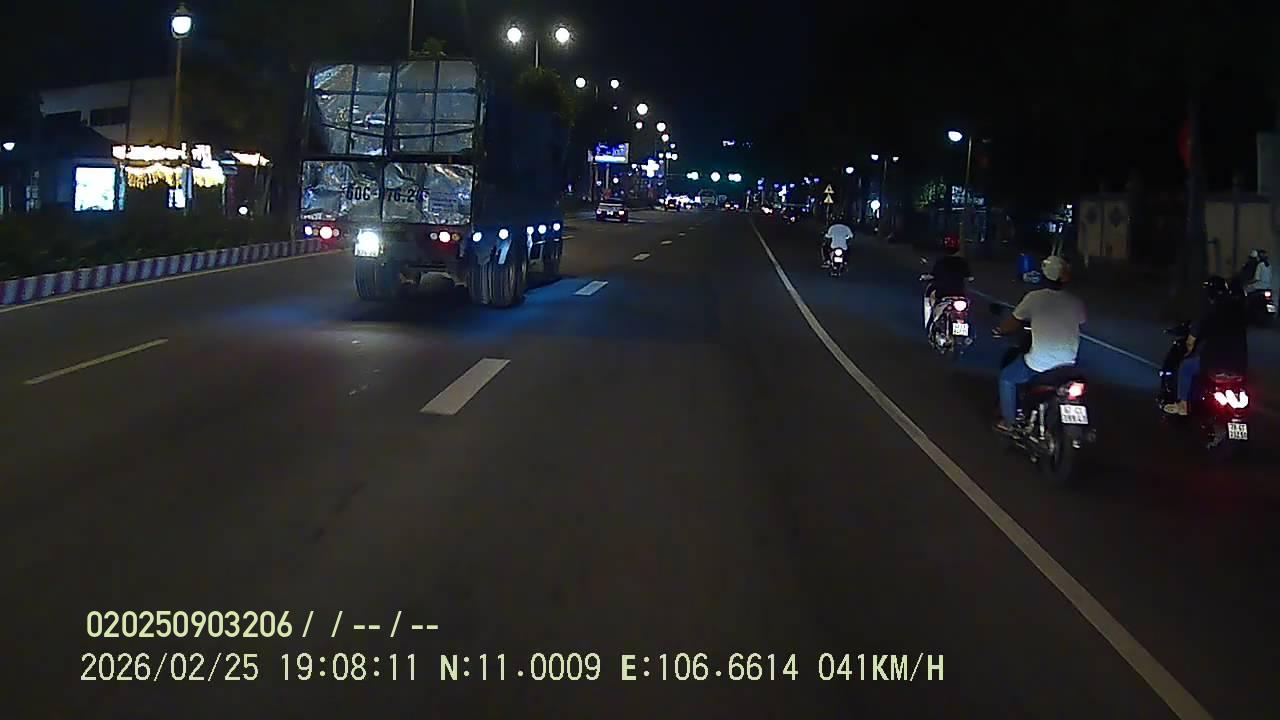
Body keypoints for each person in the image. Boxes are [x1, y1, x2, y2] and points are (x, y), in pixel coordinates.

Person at [993, 255, 1087, 432]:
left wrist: (1000, 330)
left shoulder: (1034, 298)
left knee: (1007, 378)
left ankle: (1009, 422)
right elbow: (1081, 321)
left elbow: (1012, 323)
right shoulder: (1076, 302)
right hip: (1068, 366)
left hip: (1039, 365)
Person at [1162, 276, 1249, 416]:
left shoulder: (1211, 311)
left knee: (1185, 367)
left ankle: (1182, 405)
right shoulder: (1238, 310)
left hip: (1215, 366)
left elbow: (1191, 339)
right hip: (1239, 368)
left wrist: (1189, 351)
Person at [923, 234, 973, 330]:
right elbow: (969, 277)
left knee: (928, 300)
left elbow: (933, 275)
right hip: (959, 295)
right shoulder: (962, 262)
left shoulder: (940, 262)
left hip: (942, 294)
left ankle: (929, 323)